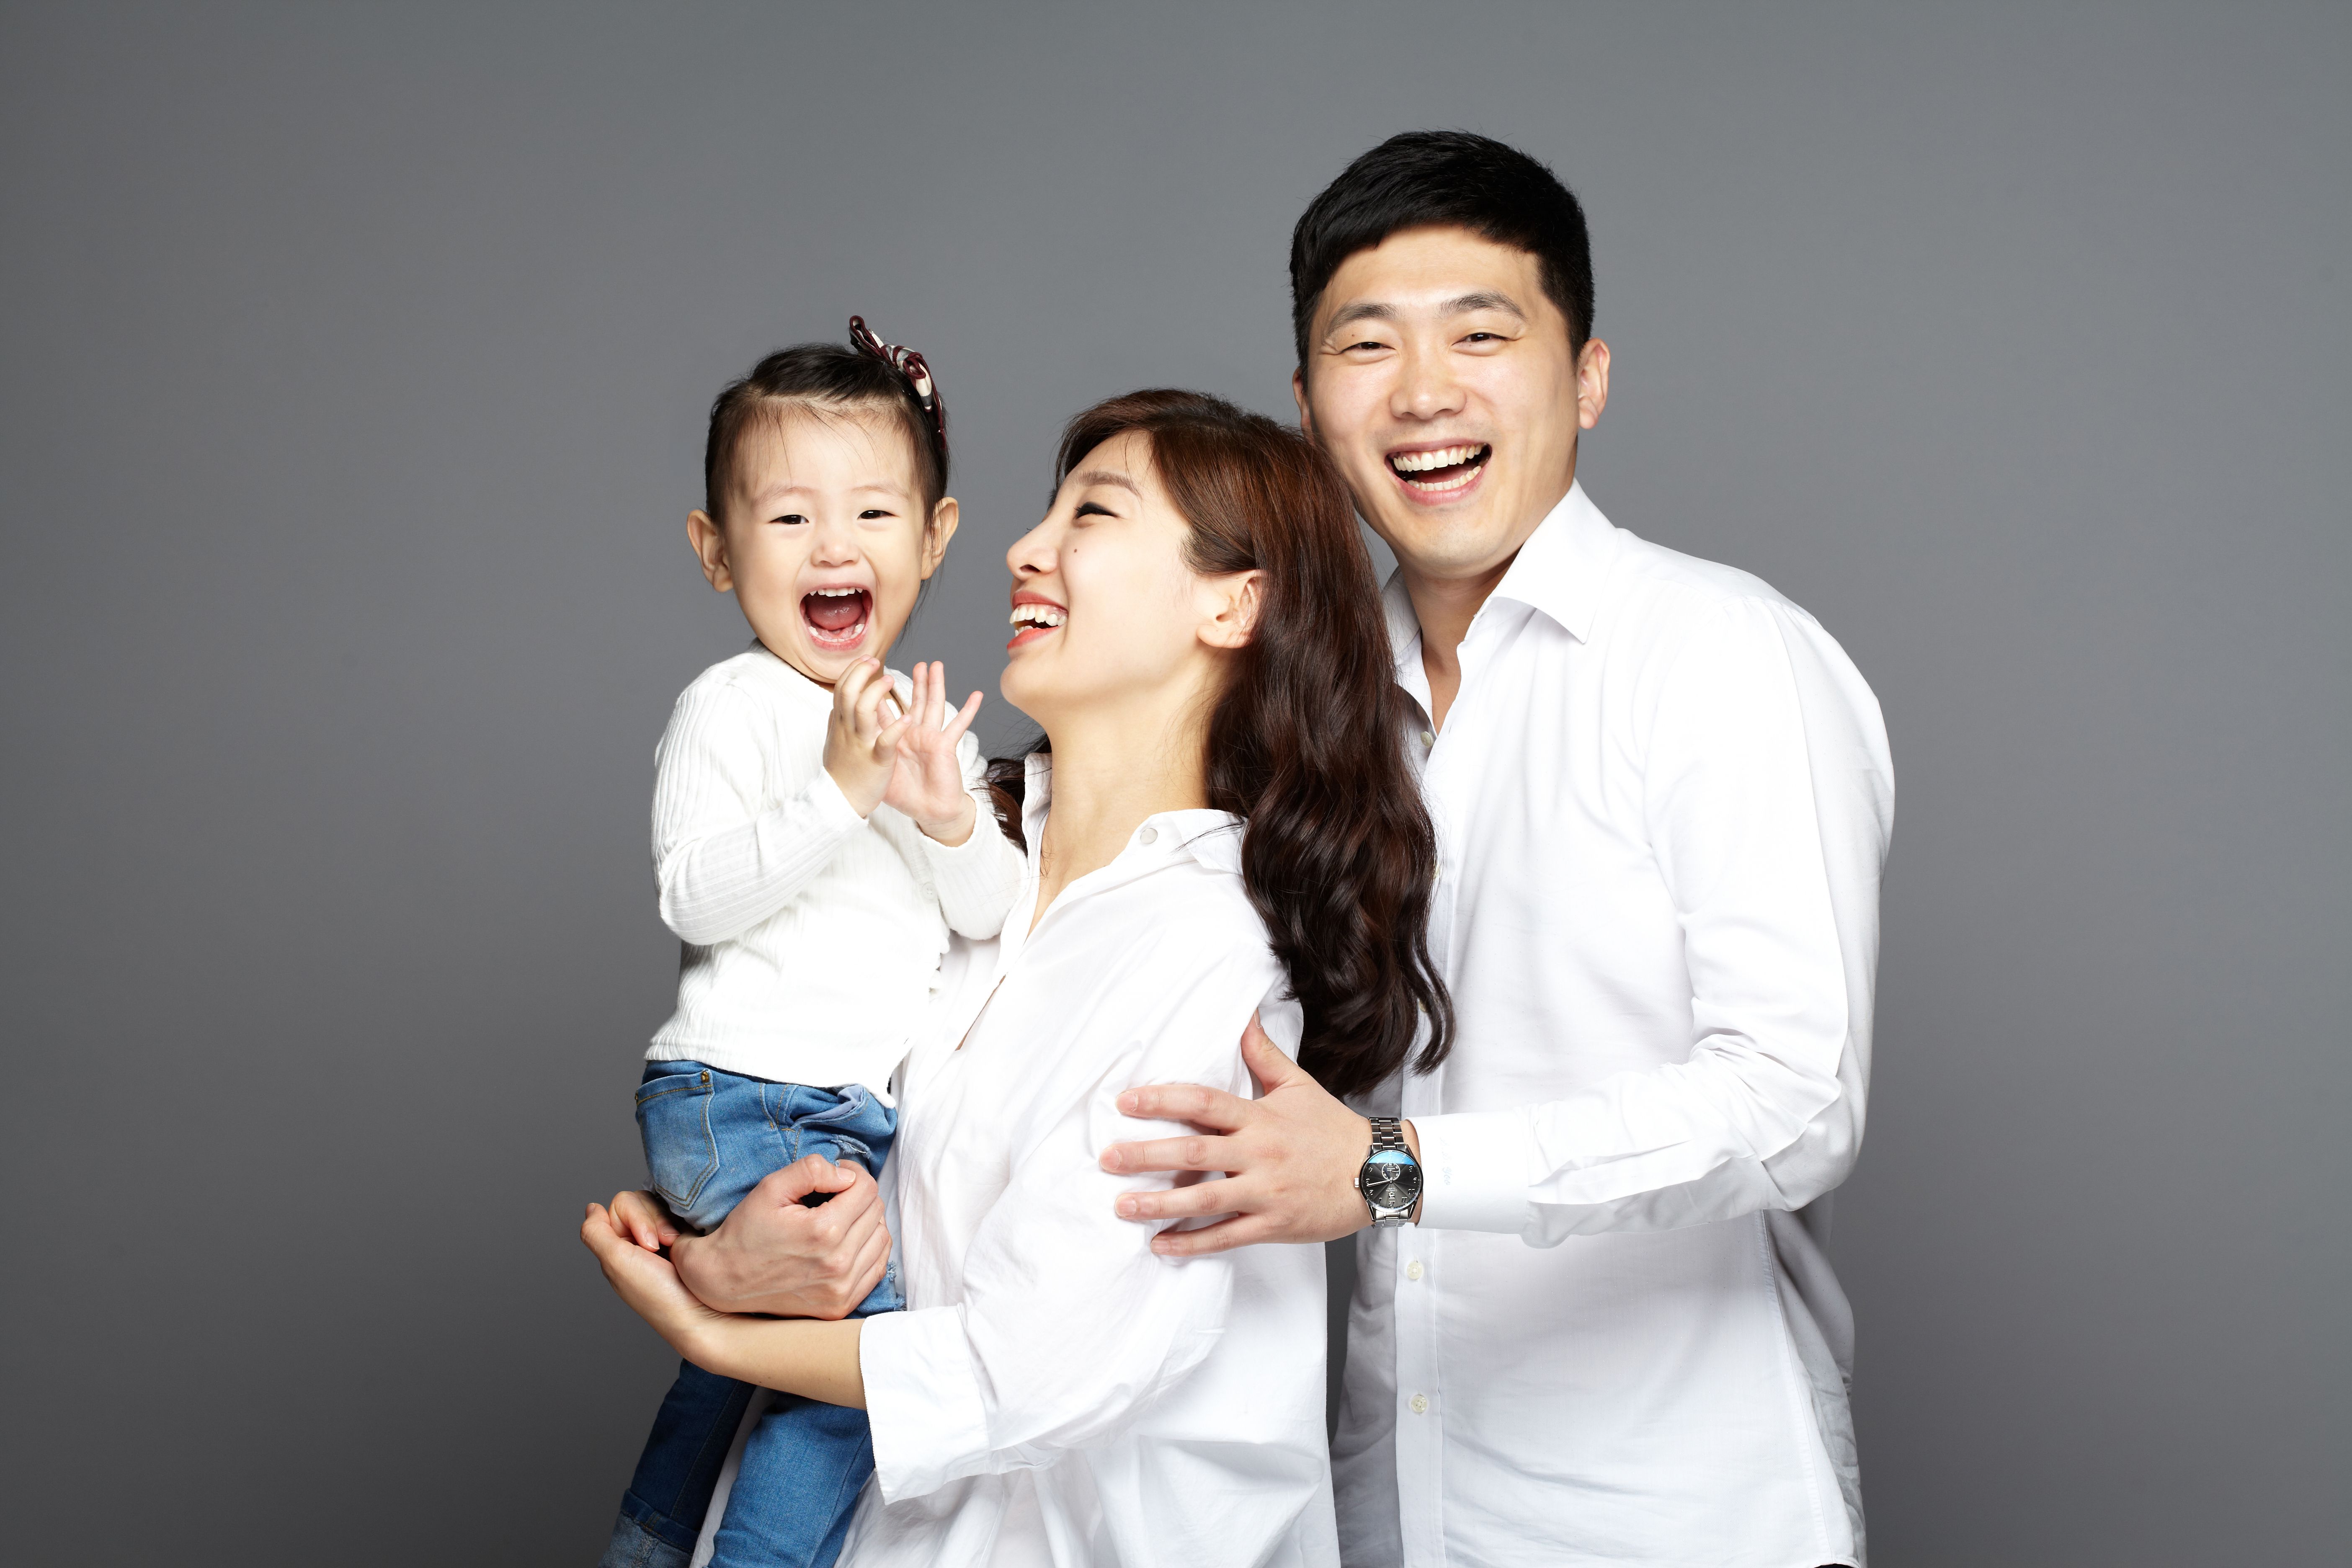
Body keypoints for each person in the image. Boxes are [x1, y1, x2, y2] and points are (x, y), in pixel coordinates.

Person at [1100, 132, 1897, 1568]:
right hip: (1390, 1515)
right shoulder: (1306, 712)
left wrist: (1392, 1170)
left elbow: (1796, 1100)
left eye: (1481, 334)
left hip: (1682, 1521)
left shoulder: (1719, 654)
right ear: (1306, 406)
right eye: (1367, 345)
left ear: (1587, 377)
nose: (1423, 392)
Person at [583, 389, 1449, 1568]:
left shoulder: (1206, 947)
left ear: (1231, 604)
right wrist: (716, 1242)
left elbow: (1026, 1367)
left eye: (1091, 514)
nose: (1023, 549)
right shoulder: (945, 851)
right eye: (1046, 509)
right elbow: (797, 1111)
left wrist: (707, 1327)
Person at [602, 322, 1028, 1568]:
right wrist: (840, 793)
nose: (835, 547)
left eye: (874, 514)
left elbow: (988, 913)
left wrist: (946, 815)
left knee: (744, 1358)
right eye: (790, 518)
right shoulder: (732, 705)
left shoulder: (913, 726)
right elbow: (694, 896)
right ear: (715, 551)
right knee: (861, 1373)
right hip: (745, 1093)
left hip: (830, 1110)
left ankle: (649, 1541)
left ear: (935, 539)